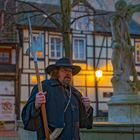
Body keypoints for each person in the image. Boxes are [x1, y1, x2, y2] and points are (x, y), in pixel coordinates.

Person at [22, 57, 93, 140]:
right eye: (64, 70)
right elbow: (27, 116)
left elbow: (82, 122)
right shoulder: (44, 87)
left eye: (70, 71)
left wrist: (87, 108)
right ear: (56, 72)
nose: (68, 73)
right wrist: (35, 105)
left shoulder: (75, 93)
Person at [110, 0, 140, 92]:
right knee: (117, 47)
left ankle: (128, 79)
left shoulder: (124, 20)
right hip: (118, 43)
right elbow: (117, 35)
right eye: (123, 10)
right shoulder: (114, 19)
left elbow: (133, 9)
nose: (125, 12)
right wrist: (125, 45)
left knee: (127, 63)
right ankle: (117, 71)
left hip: (125, 46)